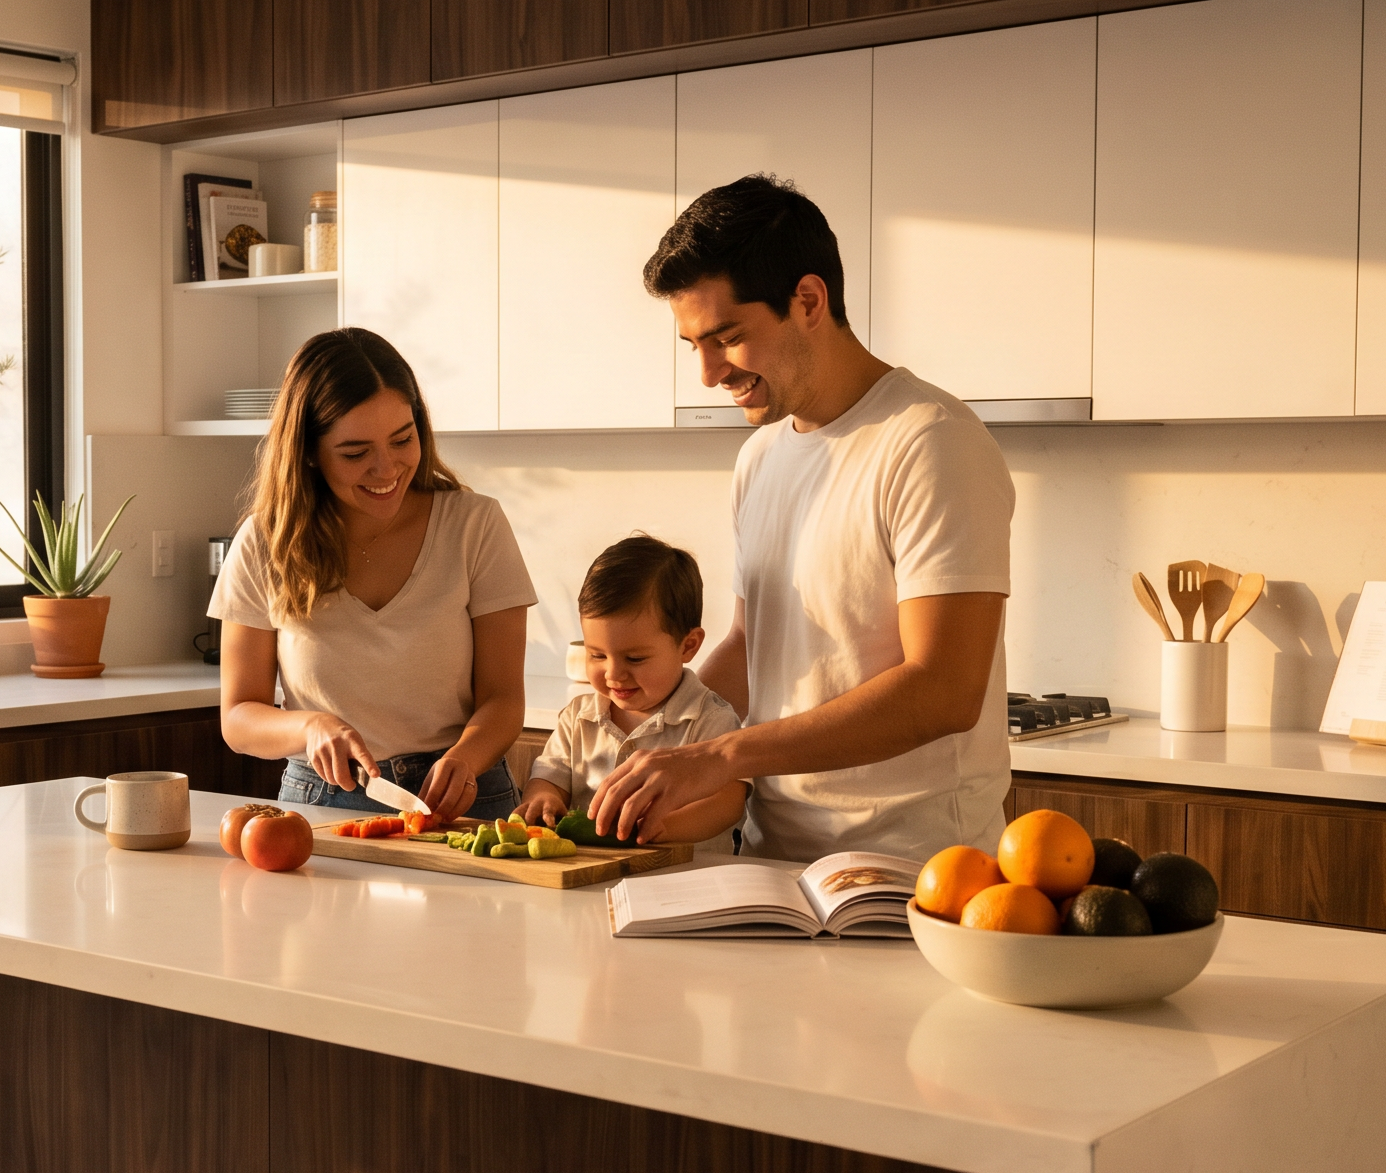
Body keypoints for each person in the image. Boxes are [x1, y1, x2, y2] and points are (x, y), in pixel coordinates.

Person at [590, 174, 1015, 862]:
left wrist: (722, 755)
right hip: (774, 856)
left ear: (808, 301)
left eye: (726, 337)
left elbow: (944, 690)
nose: (706, 373)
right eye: (693, 344)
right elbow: (752, 647)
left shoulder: (931, 442)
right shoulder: (761, 456)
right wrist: (642, 734)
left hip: (915, 869)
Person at [210, 327, 535, 821]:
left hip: (464, 799)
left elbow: (504, 698)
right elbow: (238, 718)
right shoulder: (266, 541)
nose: (386, 469)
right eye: (356, 452)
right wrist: (310, 727)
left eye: (402, 440)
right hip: (323, 802)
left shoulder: (475, 525)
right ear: (309, 454)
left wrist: (465, 758)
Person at [517, 535, 748, 850]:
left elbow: (728, 802)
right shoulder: (577, 717)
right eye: (597, 655)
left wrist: (659, 826)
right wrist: (542, 799)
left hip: (685, 886)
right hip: (589, 882)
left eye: (635, 658)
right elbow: (549, 776)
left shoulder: (712, 720)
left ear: (688, 645)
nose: (613, 674)